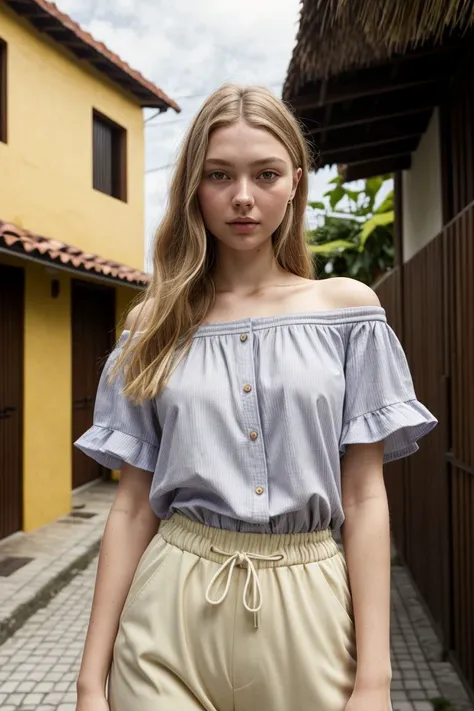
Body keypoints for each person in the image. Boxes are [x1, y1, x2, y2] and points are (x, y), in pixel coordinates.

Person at [74, 84, 437, 711]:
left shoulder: (348, 314)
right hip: (169, 612)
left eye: (265, 174)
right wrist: (89, 681)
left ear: (295, 181)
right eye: (220, 175)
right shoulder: (150, 328)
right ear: (194, 184)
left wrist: (375, 679)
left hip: (311, 612)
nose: (243, 197)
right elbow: (133, 507)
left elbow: (364, 495)